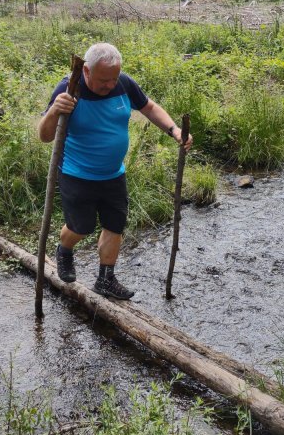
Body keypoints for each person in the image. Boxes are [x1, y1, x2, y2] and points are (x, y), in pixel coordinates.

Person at [38, 43, 192, 300]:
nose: (110, 85)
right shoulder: (69, 88)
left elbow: (149, 108)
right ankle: (64, 250)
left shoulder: (123, 83)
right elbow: (44, 136)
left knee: (114, 225)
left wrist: (174, 130)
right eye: (103, 80)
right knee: (81, 226)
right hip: (77, 174)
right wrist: (55, 109)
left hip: (113, 174)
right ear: (86, 71)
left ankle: (105, 279)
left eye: (113, 78)